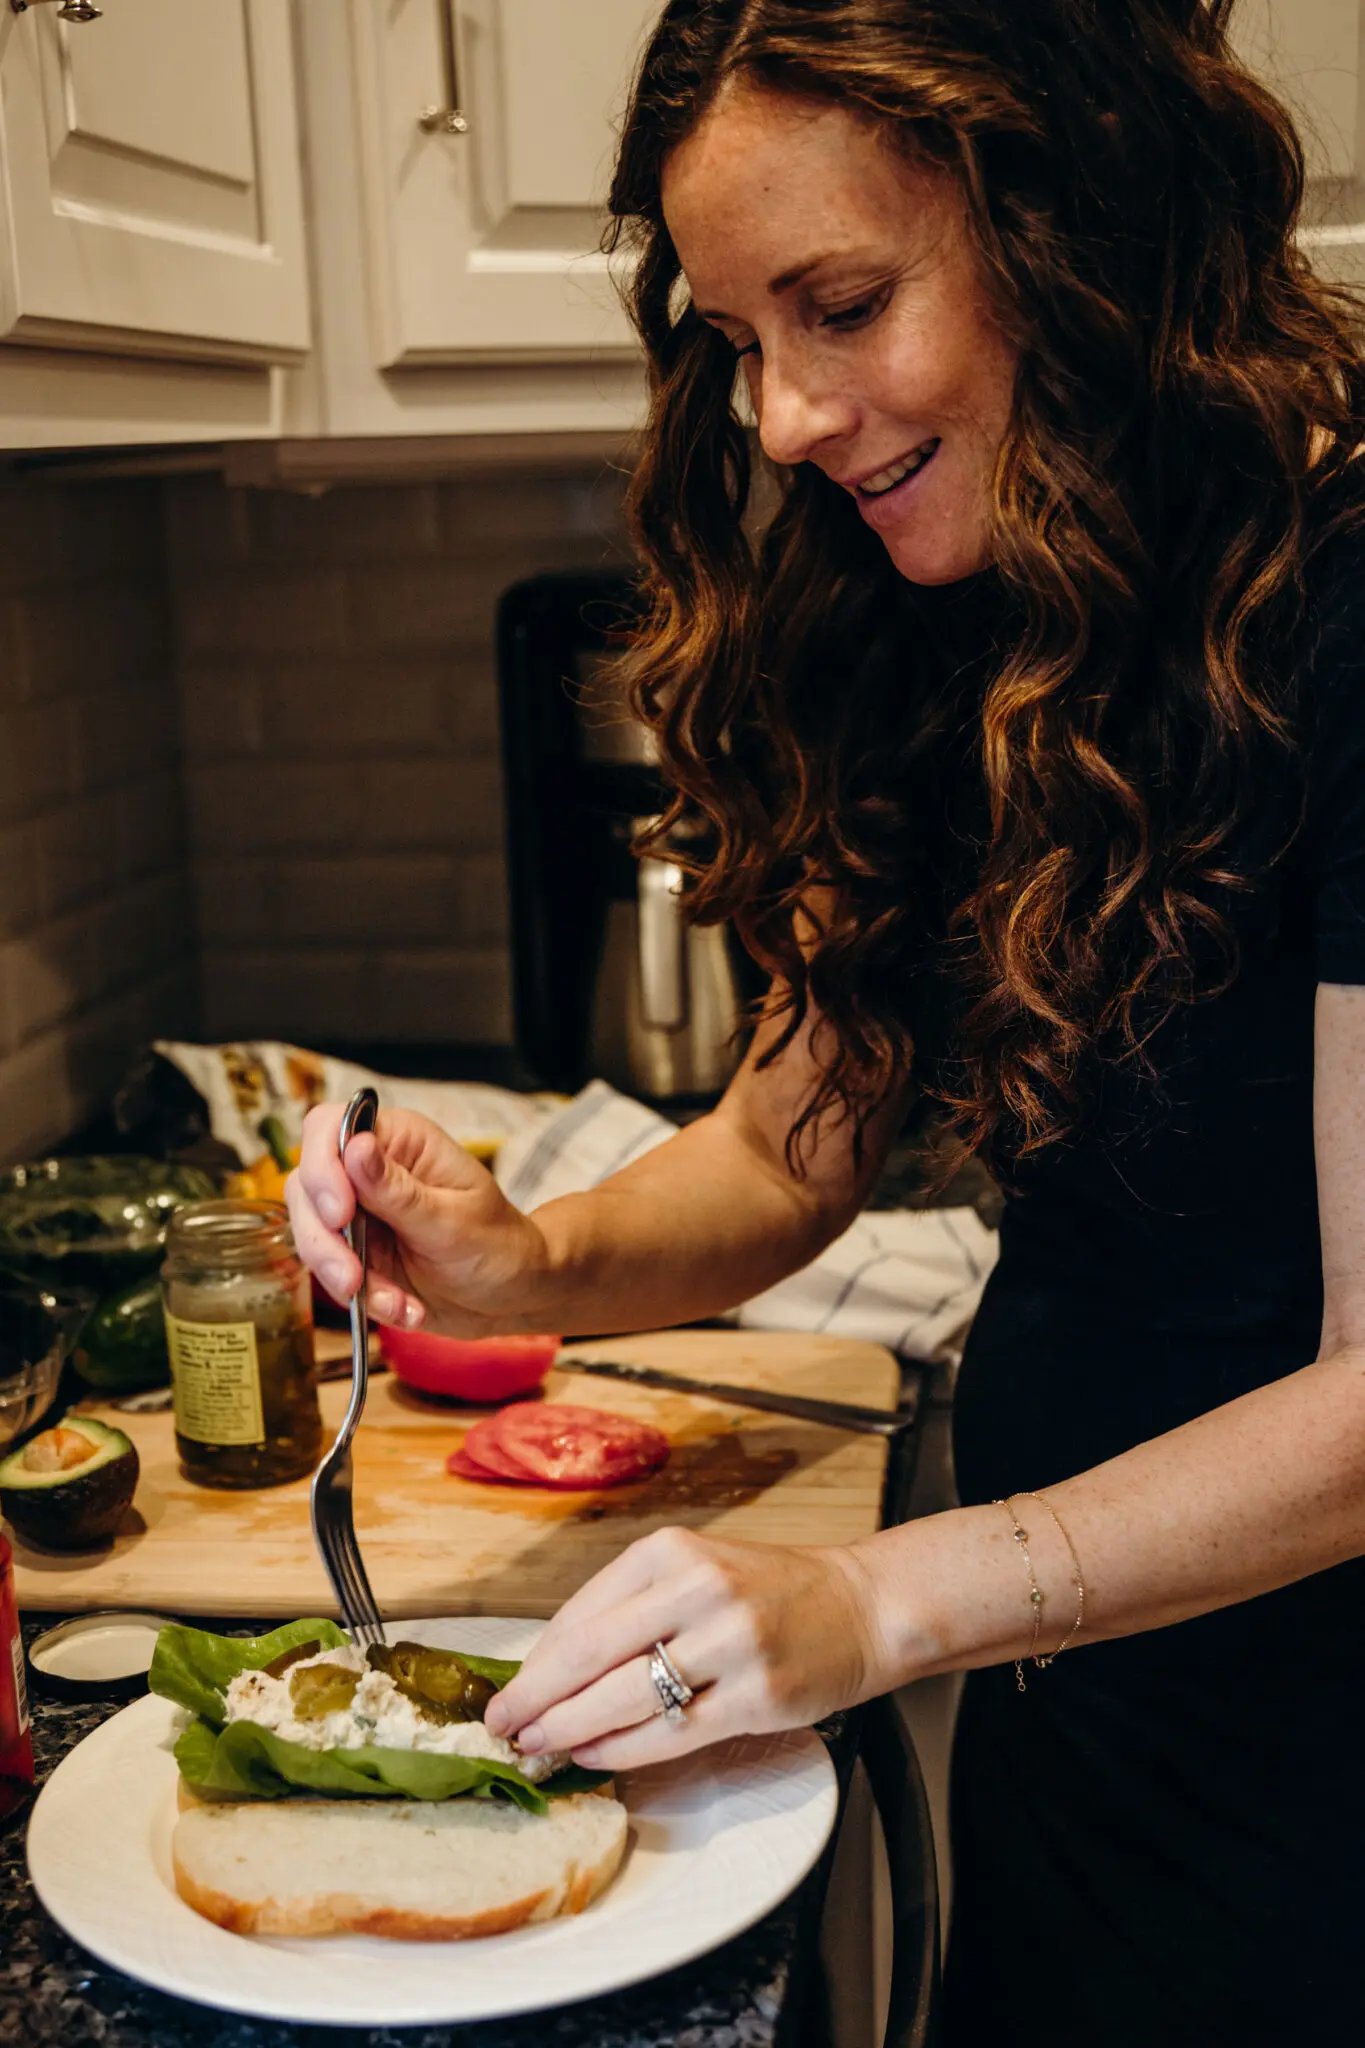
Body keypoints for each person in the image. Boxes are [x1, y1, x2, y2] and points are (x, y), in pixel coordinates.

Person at [287, 2, 1365, 2039]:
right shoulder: (955, 606)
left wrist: (876, 1597)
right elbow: (796, 1142)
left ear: (1076, 224)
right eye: (732, 340)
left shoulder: (1342, 615)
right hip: (1069, 1706)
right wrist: (529, 1257)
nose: (778, 417)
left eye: (842, 305)